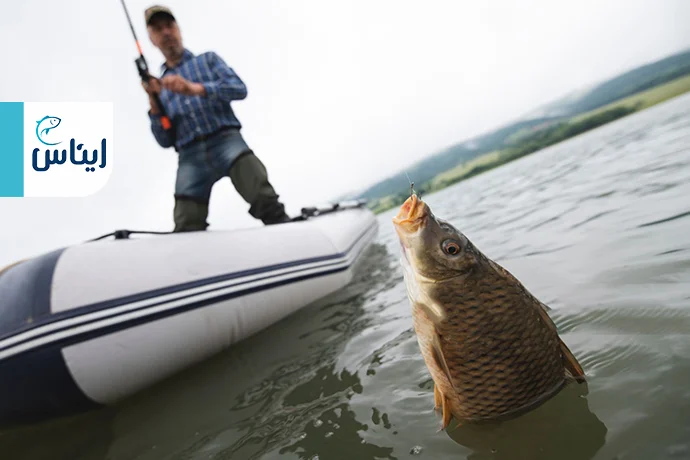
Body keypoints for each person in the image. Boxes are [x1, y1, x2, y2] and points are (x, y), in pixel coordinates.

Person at [141, 5, 291, 231]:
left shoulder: (208, 60)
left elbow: (238, 89)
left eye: (169, 26)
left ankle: (285, 231)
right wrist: (154, 104)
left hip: (225, 139)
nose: (165, 33)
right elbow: (164, 139)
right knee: (185, 224)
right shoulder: (159, 87)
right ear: (152, 39)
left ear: (178, 29)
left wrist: (195, 88)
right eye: (158, 29)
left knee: (263, 196)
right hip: (189, 155)